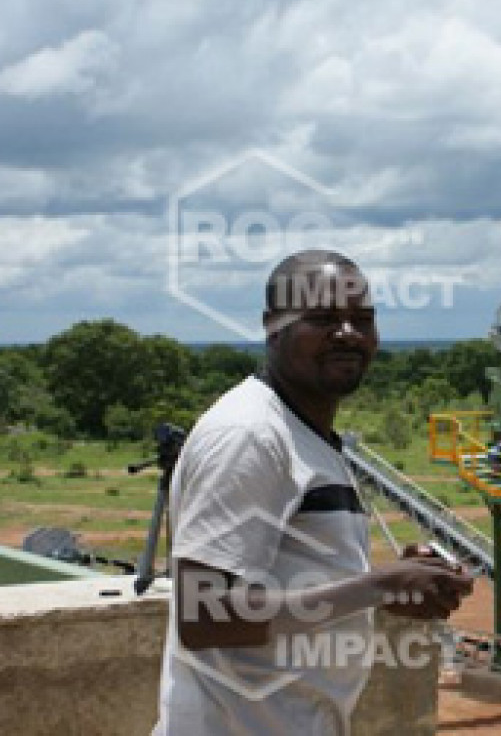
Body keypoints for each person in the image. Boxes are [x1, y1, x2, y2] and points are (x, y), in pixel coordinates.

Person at [154, 250, 473, 736]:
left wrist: (386, 588)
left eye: (361, 319)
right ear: (273, 326)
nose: (347, 333)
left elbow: (290, 585)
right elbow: (204, 614)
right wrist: (378, 585)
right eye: (323, 318)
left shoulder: (306, 435)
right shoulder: (251, 435)